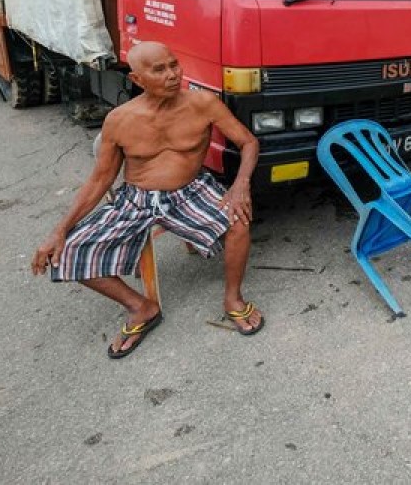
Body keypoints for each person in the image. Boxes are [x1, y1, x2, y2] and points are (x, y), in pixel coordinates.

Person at [31, 41, 264, 358]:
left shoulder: (204, 104)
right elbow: (101, 179)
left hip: (190, 191)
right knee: (68, 251)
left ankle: (233, 298)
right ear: (138, 79)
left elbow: (248, 142)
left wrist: (241, 184)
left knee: (238, 221)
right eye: (159, 70)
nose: (172, 75)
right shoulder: (119, 120)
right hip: (136, 199)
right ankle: (141, 307)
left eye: (174, 65)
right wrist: (60, 228)